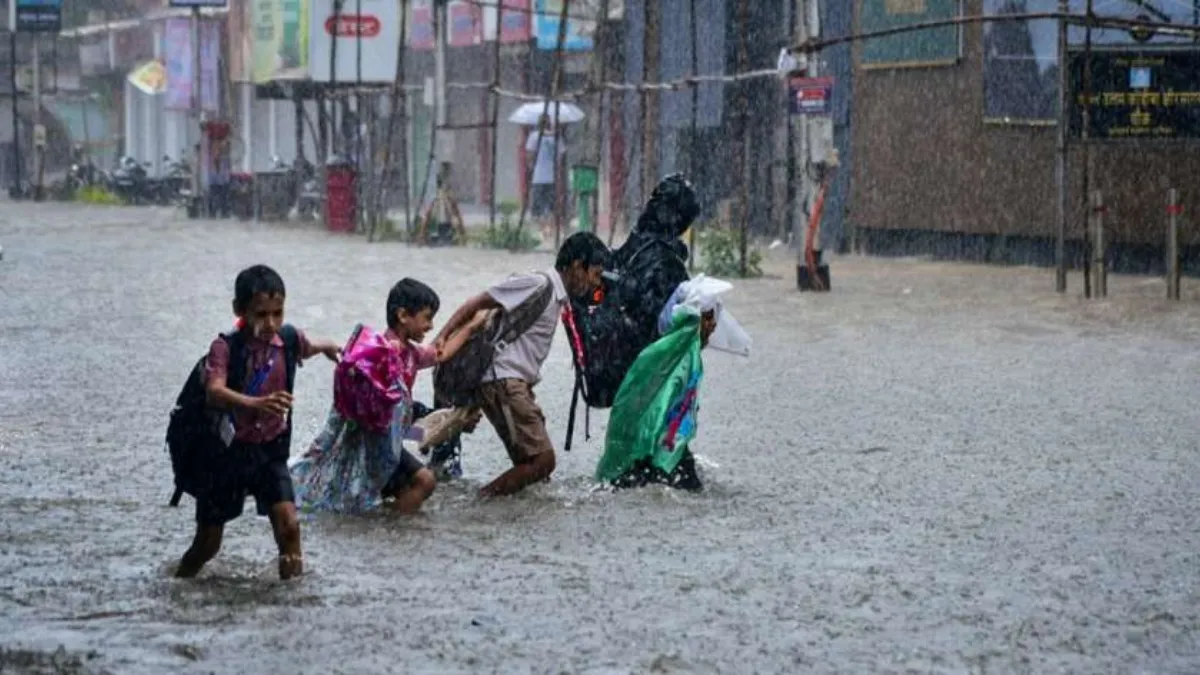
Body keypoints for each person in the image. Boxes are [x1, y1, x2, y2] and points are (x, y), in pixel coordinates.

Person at [176, 264, 341, 580]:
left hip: (269, 452)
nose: (271, 323)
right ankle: (181, 581)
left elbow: (308, 344)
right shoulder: (226, 347)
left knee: (289, 528)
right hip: (226, 456)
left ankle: (292, 600)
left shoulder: (287, 340)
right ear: (240, 310)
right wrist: (258, 403)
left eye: (277, 313)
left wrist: (329, 347)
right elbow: (214, 391)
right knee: (208, 544)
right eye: (261, 314)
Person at [433, 232, 609, 497]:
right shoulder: (537, 283)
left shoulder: (558, 297)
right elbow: (478, 302)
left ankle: (502, 511)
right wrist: (441, 337)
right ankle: (480, 503)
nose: (596, 283)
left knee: (533, 471)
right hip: (503, 381)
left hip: (515, 384)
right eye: (594, 274)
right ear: (576, 267)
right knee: (542, 461)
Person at [292, 279, 486, 515]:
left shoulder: (412, 354)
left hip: (392, 434)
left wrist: (471, 327)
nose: (431, 326)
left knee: (407, 478)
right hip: (374, 441)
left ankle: (386, 522)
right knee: (424, 481)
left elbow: (439, 353)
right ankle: (391, 527)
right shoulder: (382, 351)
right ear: (403, 315)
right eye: (426, 318)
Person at [595, 275, 751, 491]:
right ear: (695, 321)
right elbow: (671, 410)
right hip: (657, 455)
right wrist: (663, 458)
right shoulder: (684, 359)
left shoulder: (662, 353)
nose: (714, 325)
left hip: (643, 451)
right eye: (708, 318)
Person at [525, 115, 565, 242]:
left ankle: (543, 230)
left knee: (539, 207)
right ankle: (551, 230)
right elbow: (560, 157)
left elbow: (529, 155)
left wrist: (532, 167)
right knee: (551, 206)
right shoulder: (556, 137)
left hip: (538, 177)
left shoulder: (534, 137)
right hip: (552, 177)